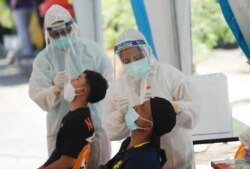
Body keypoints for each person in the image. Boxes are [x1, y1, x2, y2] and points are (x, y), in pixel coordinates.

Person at [29, 4, 113, 168]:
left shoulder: (92, 51)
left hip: (95, 122)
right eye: (55, 34)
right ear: (48, 34)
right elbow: (38, 94)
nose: (61, 36)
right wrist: (55, 90)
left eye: (65, 31)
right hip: (61, 125)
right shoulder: (44, 59)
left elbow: (106, 83)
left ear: (72, 26)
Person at [103, 29, 201, 169]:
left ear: (146, 51)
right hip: (140, 161)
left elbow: (194, 111)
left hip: (177, 155)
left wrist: (175, 109)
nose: (133, 63)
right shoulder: (118, 88)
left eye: (137, 58)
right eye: (127, 61)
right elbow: (110, 132)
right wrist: (120, 116)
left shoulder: (169, 75)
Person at [38, 70, 108, 169]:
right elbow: (59, 152)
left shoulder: (76, 122)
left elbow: (67, 162)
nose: (71, 80)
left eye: (78, 79)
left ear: (82, 91)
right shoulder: (83, 115)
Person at [99, 97, 176, 169]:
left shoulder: (140, 160)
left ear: (148, 125)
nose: (135, 107)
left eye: (142, 108)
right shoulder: (128, 142)